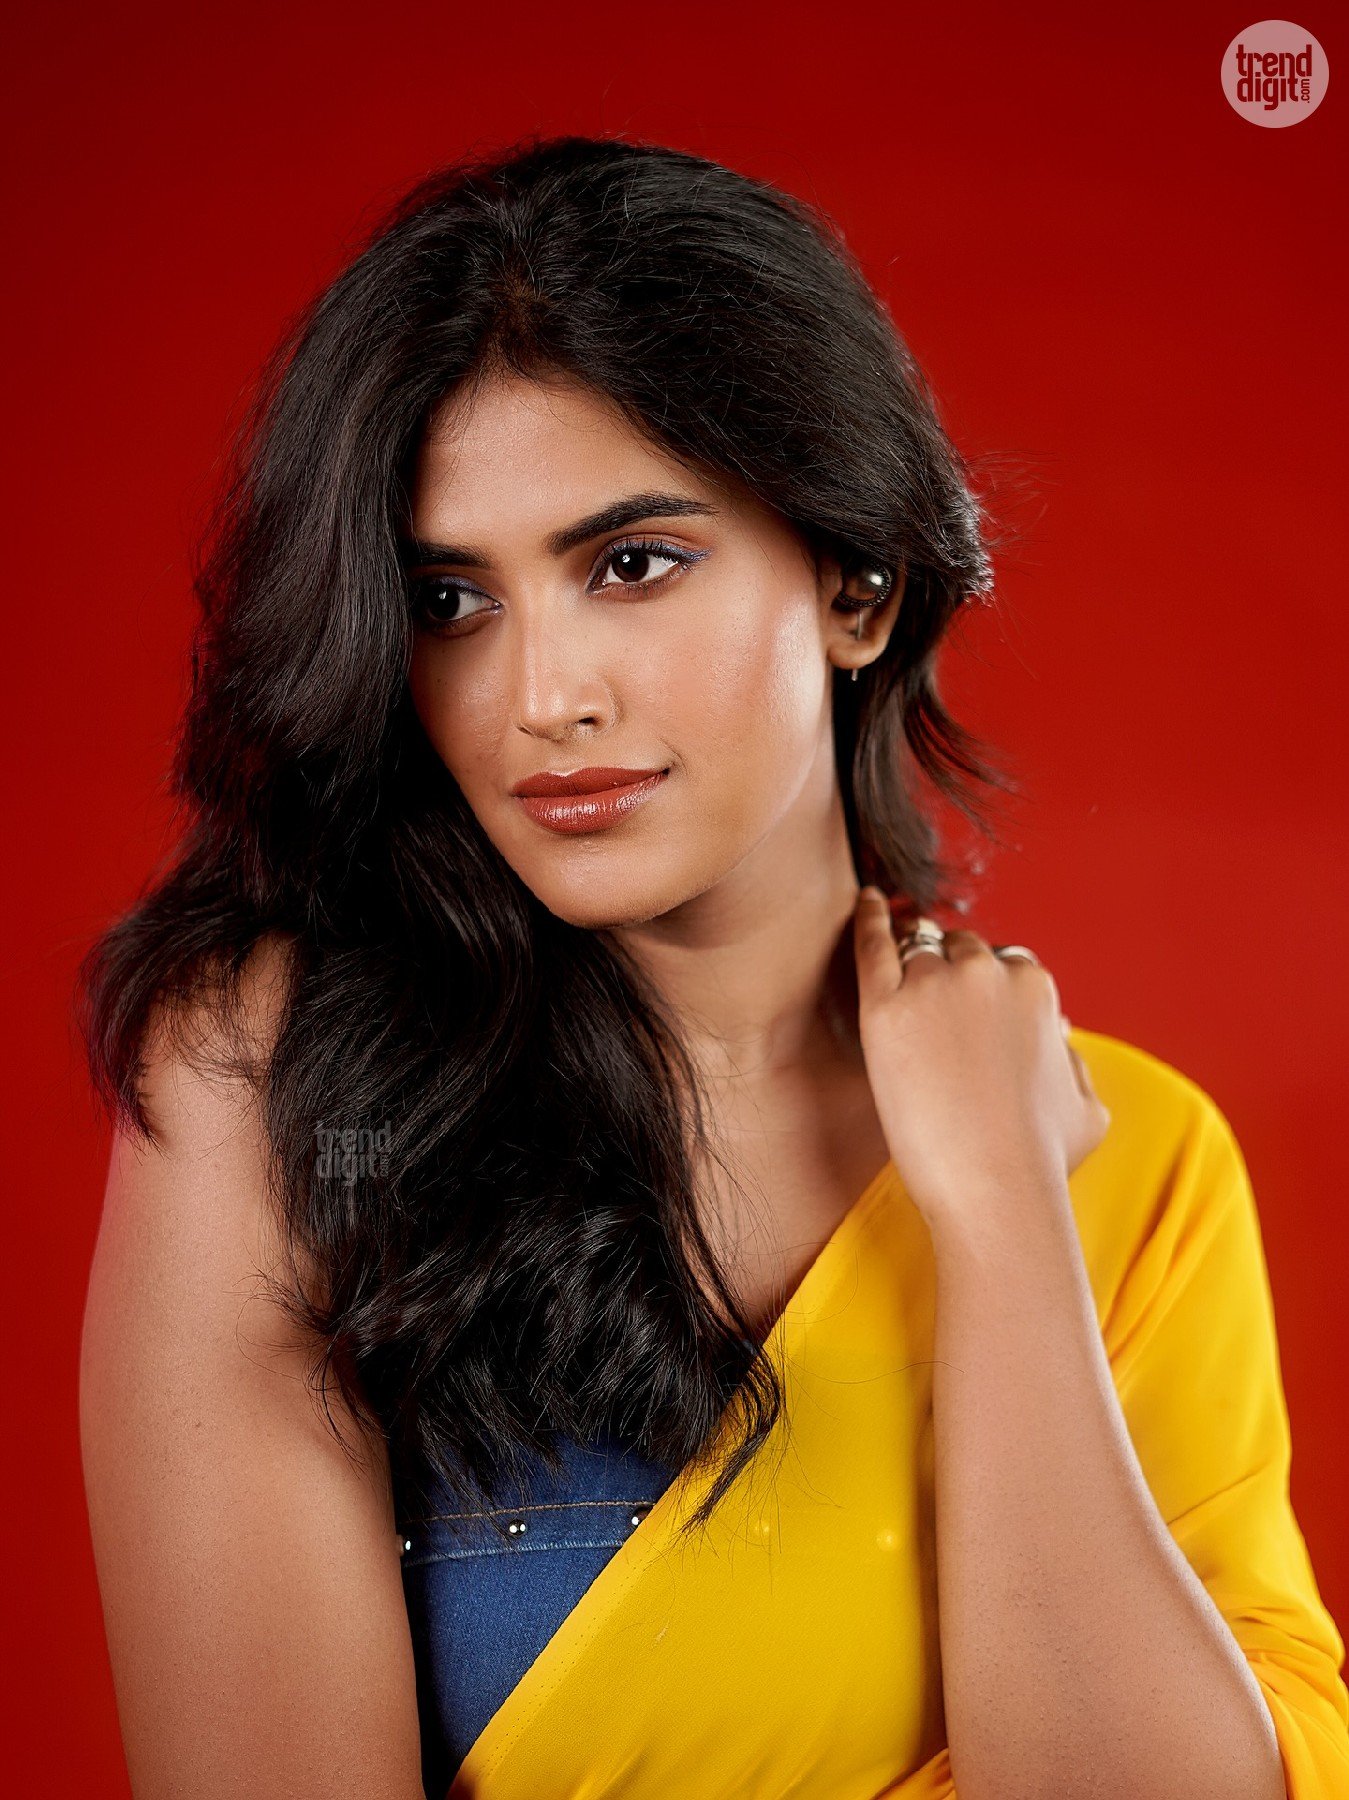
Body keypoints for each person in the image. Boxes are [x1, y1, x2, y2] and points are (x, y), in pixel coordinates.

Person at [76, 135, 1348, 1800]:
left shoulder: (1129, 1156)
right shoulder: (284, 1088)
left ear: (857, 586)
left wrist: (999, 1221)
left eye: (630, 564)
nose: (543, 698)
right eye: (451, 599)